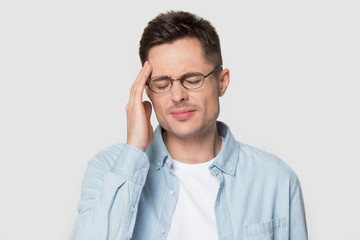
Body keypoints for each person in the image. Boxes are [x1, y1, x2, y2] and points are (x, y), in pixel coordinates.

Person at [70, 11, 307, 240]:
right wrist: (134, 149)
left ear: (222, 82)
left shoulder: (276, 179)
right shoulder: (109, 170)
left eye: (192, 80)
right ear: (146, 91)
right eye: (162, 84)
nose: (177, 96)